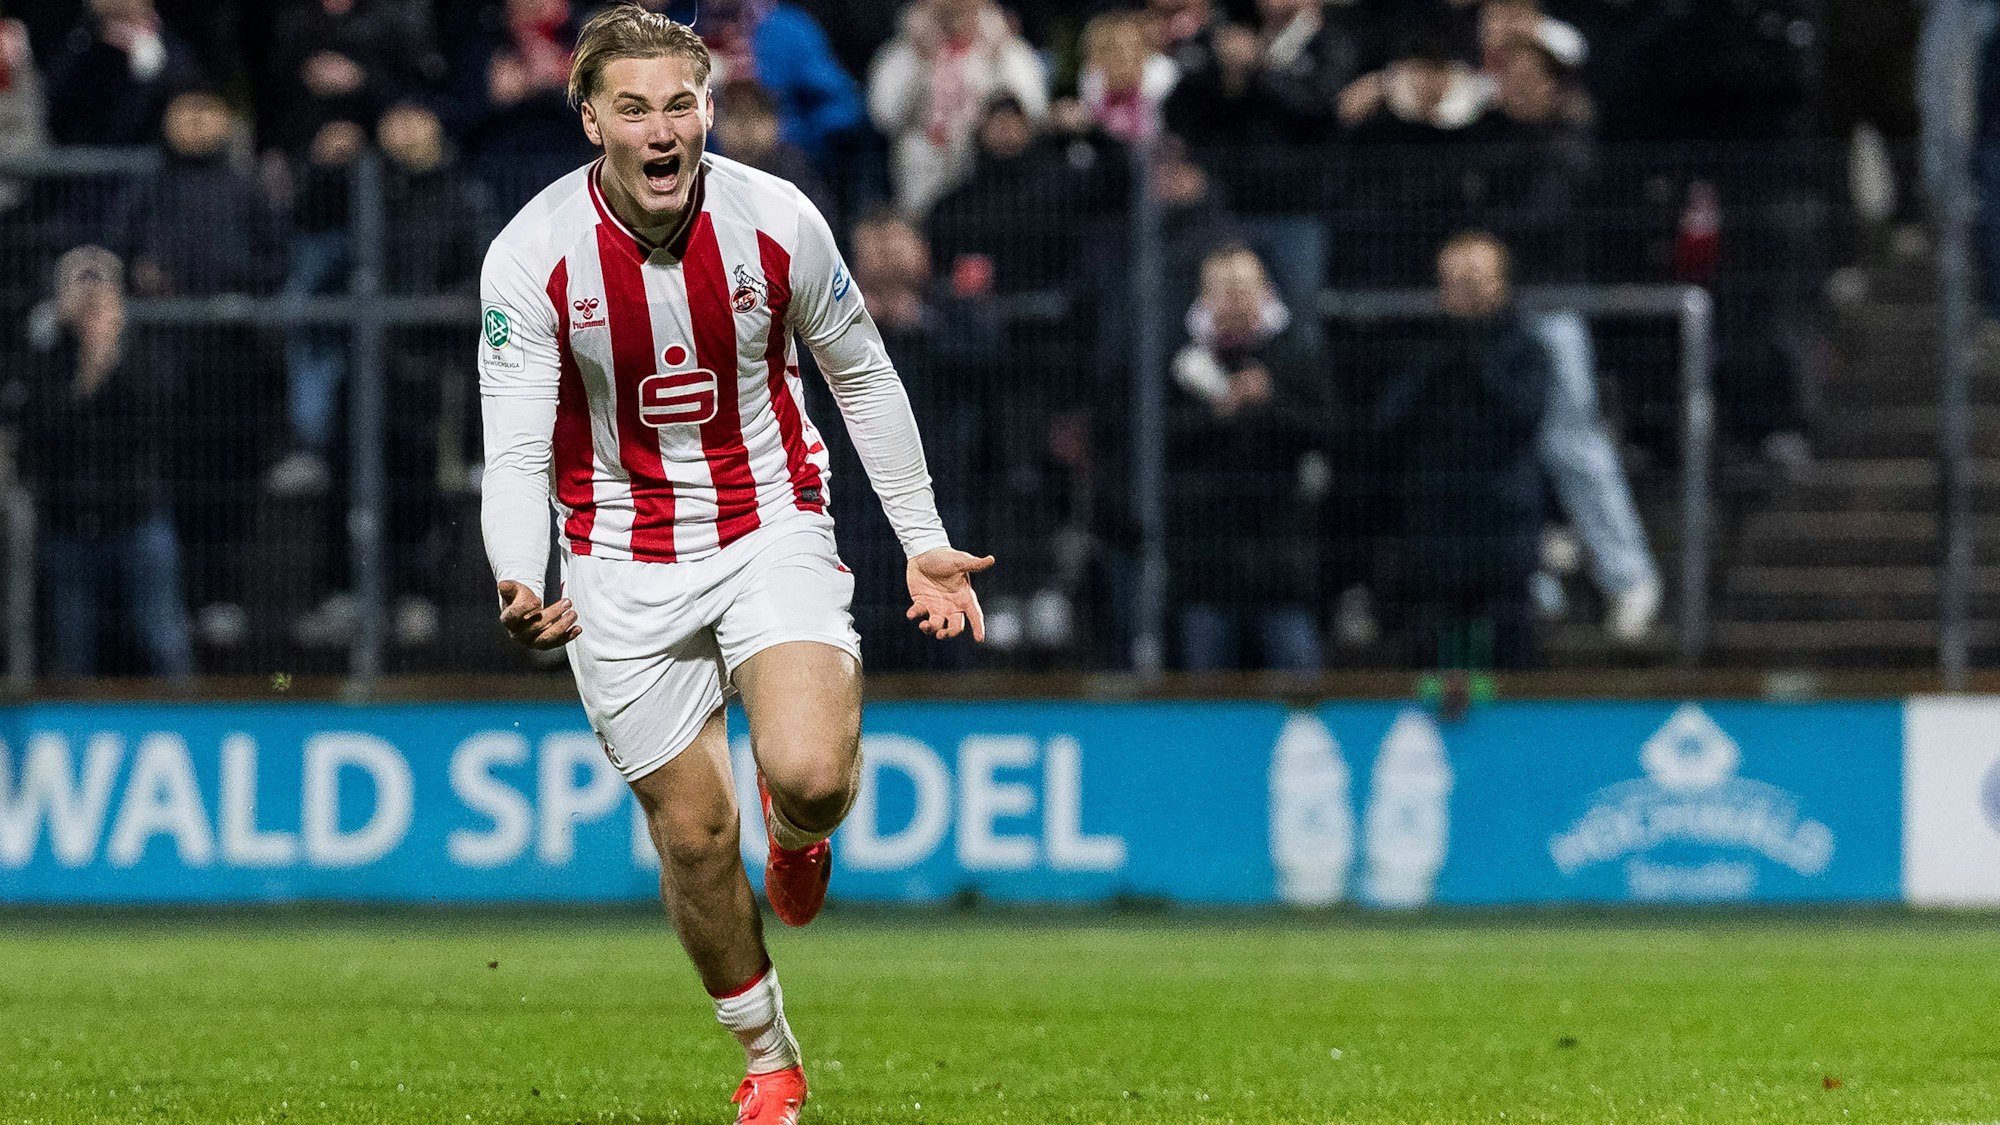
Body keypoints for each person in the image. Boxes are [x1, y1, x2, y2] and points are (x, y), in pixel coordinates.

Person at [476, 8, 992, 1122]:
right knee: (696, 837)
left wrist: (922, 541)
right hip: (615, 553)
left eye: (680, 104)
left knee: (807, 775)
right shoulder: (529, 254)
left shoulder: (780, 220)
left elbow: (861, 374)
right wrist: (519, 573)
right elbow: (513, 446)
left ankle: (797, 834)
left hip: (769, 522)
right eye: (634, 109)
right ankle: (769, 1058)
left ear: (707, 108)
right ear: (591, 121)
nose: (661, 130)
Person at [1475, 32, 1661, 642]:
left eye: (1532, 75)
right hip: (1492, 315)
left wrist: (1485, 230)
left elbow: (1539, 220)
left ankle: (1629, 577)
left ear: (1555, 84)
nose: (1518, 85)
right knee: (1502, 447)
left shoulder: (1570, 144)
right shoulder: (1487, 137)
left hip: (1552, 312)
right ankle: (1536, 581)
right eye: (1510, 73)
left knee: (1573, 441)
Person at [13, 246, 195, 679]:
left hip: (137, 518)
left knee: (164, 642)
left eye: (100, 282)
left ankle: (187, 714)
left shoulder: (144, 349)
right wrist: (88, 368)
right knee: (72, 651)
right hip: (69, 524)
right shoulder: (45, 355)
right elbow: (39, 426)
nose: (90, 295)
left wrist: (108, 353)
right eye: (80, 282)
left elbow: (158, 416)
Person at [1377, 231, 1549, 671]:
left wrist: (1473, 350)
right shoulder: (1421, 349)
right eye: (1455, 280)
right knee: (1431, 653)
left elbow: (1522, 416)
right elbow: (1389, 420)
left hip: (1503, 527)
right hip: (1435, 528)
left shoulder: (1527, 350)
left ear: (1502, 284)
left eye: (1476, 279)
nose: (1466, 291)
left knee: (1510, 655)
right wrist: (1442, 355)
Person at [1166, 244, 1331, 671]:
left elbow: (1328, 432)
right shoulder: (1177, 358)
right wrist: (1217, 414)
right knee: (1207, 691)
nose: (1235, 301)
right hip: (1205, 563)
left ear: (1265, 293)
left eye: (1243, 290)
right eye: (1224, 291)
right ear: (1205, 297)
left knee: (1299, 685)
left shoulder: (1296, 354)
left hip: (1282, 560)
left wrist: (1269, 402)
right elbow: (1158, 442)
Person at [865, 0, 1048, 214]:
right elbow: (884, 115)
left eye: (963, 12)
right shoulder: (904, 53)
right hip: (922, 179)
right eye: (946, 14)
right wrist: (920, 61)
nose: (956, 22)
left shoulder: (1007, 50)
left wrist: (999, 58)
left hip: (989, 182)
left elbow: (1034, 110)